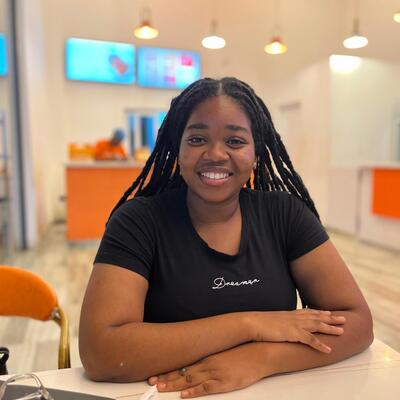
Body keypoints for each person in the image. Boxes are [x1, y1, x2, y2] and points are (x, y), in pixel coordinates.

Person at [79, 77, 373, 398]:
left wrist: (261, 358)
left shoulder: (285, 214)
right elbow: (101, 353)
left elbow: (358, 323)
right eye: (197, 139)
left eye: (235, 141)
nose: (216, 154)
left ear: (256, 152)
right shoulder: (138, 222)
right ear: (178, 148)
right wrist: (250, 325)